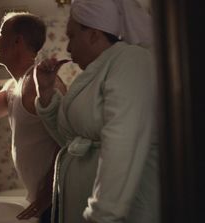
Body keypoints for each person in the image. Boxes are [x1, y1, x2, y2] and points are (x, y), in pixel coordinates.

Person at [33, 0, 159, 222]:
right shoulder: (95, 72)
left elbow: (122, 141)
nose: (69, 47)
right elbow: (72, 141)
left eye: (72, 36)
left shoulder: (132, 60)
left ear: (93, 34)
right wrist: (45, 93)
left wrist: (102, 214)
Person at [0, 12, 66, 222]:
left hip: (57, 199)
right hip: (42, 198)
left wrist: (47, 194)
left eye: (1, 34)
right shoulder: (14, 86)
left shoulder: (43, 83)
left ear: (18, 41)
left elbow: (66, 141)